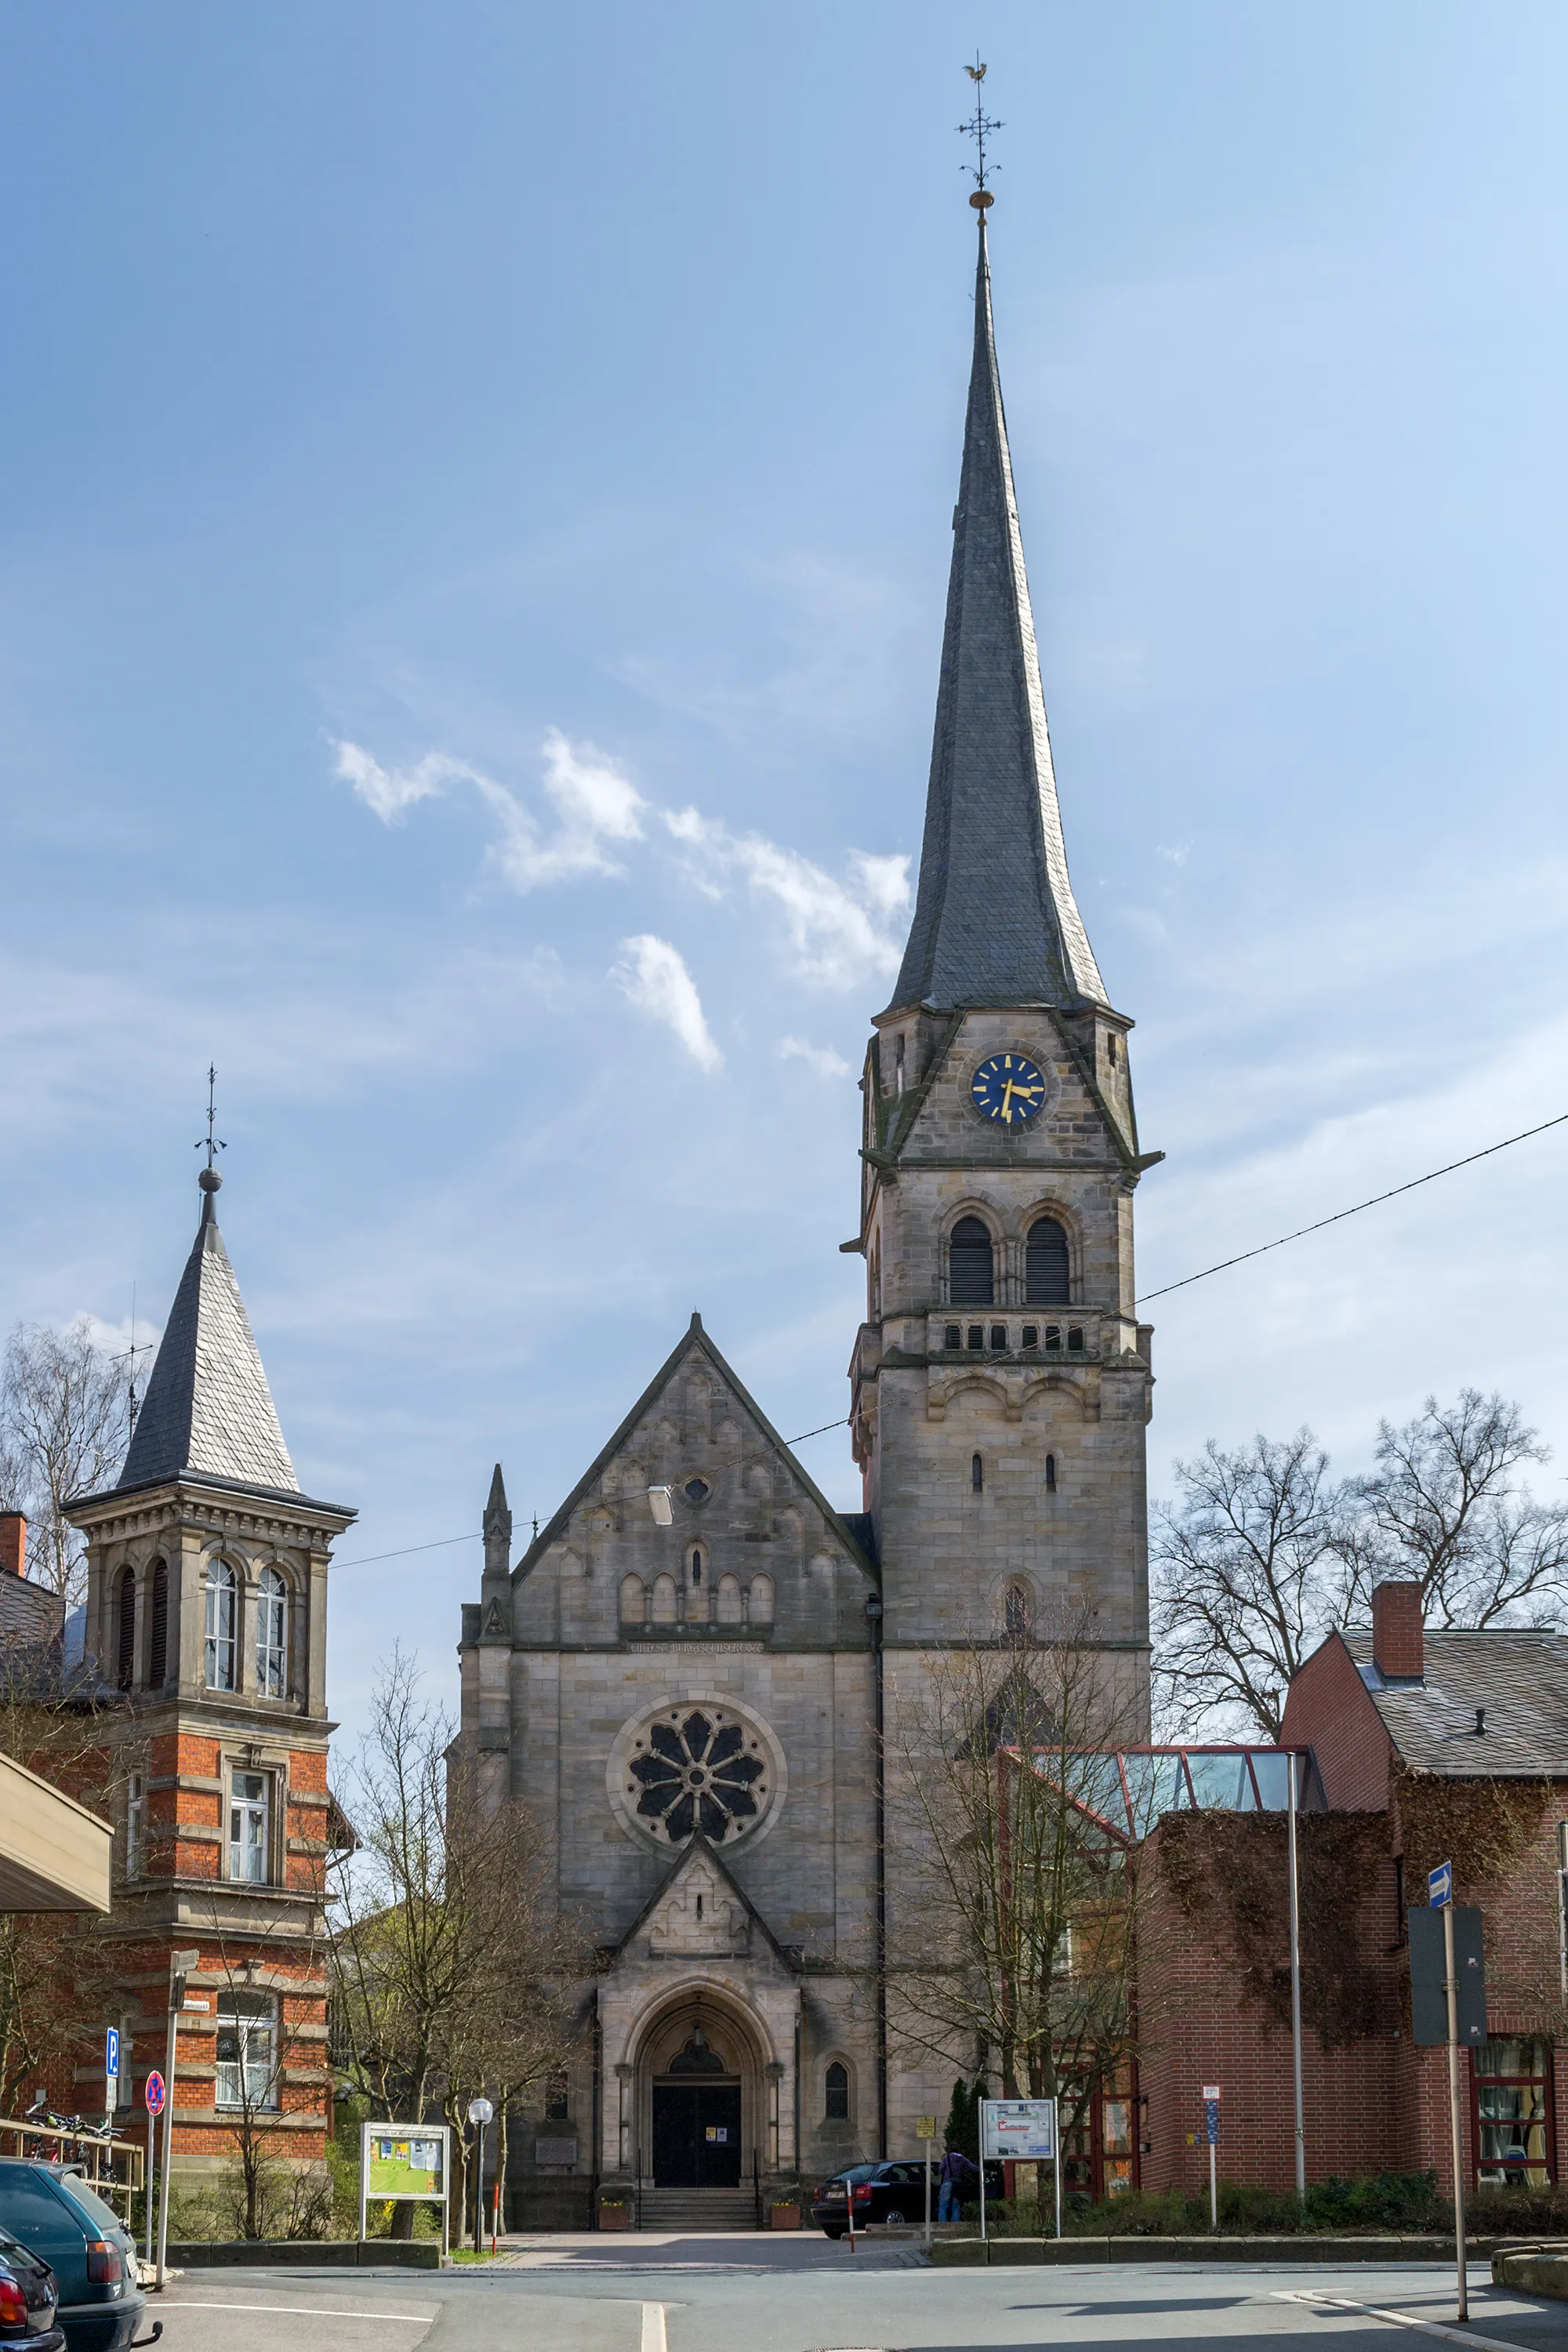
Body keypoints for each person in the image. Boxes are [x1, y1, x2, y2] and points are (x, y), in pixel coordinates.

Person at [935, 2144, 977, 2223]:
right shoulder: (962, 2158)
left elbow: (940, 2169)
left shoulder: (946, 2158)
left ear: (949, 2149)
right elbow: (973, 2167)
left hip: (947, 2182)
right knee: (956, 2205)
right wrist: (988, 2172)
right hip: (958, 2184)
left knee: (943, 2205)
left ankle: (942, 2224)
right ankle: (956, 2225)